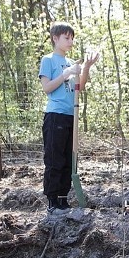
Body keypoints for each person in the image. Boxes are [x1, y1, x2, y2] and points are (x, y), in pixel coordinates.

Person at [38, 22, 99, 214]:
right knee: (55, 158)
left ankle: (63, 199)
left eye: (72, 38)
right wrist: (65, 74)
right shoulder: (48, 60)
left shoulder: (73, 62)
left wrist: (86, 66)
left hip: (71, 116)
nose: (70, 41)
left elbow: (80, 85)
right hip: (55, 115)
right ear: (55, 39)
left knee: (69, 159)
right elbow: (47, 88)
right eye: (66, 37)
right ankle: (52, 200)